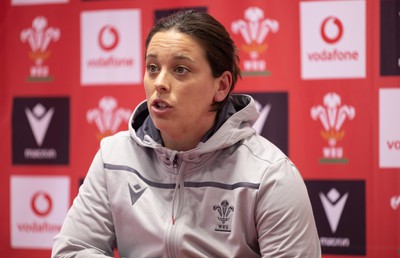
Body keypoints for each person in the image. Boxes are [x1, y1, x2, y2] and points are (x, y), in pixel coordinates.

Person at [52, 9, 321, 258]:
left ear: (221, 86)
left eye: (181, 69)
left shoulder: (269, 175)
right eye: (152, 68)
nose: (159, 83)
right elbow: (73, 250)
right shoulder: (113, 157)